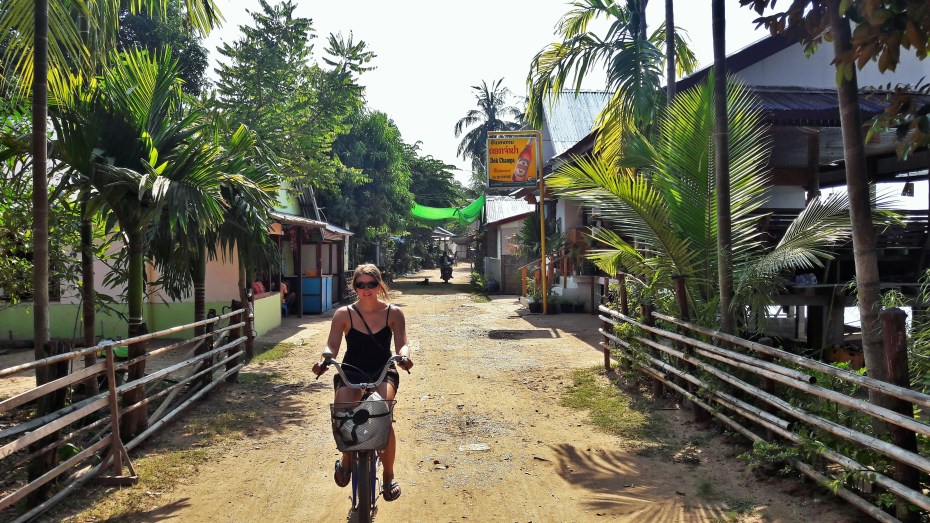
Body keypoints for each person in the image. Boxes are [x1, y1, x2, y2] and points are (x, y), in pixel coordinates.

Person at [312, 264, 413, 502]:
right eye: (361, 284)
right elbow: (332, 346)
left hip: (382, 370)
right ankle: (347, 460)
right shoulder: (343, 314)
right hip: (350, 372)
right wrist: (325, 360)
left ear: (380, 285)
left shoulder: (394, 313)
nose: (366, 289)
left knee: (382, 415)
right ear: (354, 286)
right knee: (343, 415)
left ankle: (388, 477)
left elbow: (402, 343)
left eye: (371, 284)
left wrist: (405, 356)